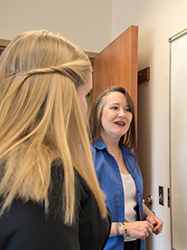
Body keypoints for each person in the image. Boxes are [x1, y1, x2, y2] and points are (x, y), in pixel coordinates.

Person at [0, 30, 111, 249]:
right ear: (62, 97)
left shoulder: (11, 162)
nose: (83, 106)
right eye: (84, 94)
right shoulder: (45, 178)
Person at [90, 86, 163, 250]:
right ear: (98, 113)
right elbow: (82, 223)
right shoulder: (85, 156)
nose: (122, 114)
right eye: (114, 107)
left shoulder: (129, 155)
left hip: (136, 244)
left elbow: (130, 198)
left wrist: (149, 215)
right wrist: (126, 228)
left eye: (127, 109)